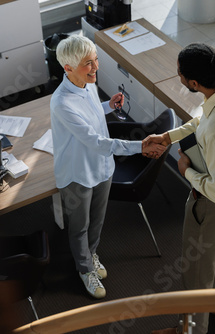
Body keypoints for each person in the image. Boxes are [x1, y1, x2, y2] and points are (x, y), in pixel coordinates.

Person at [147, 43, 215, 333]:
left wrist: (186, 172)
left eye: (181, 74)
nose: (180, 77)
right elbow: (202, 121)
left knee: (197, 272)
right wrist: (168, 137)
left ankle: (191, 331)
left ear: (194, 83)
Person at [50, 35, 166, 299]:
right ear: (68, 68)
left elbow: (90, 113)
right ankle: (83, 269)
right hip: (78, 173)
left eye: (95, 60)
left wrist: (107, 106)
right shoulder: (61, 103)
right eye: (87, 64)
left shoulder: (87, 82)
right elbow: (97, 142)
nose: (95, 68)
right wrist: (141, 147)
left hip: (102, 167)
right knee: (80, 225)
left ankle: (91, 255)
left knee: (97, 220)